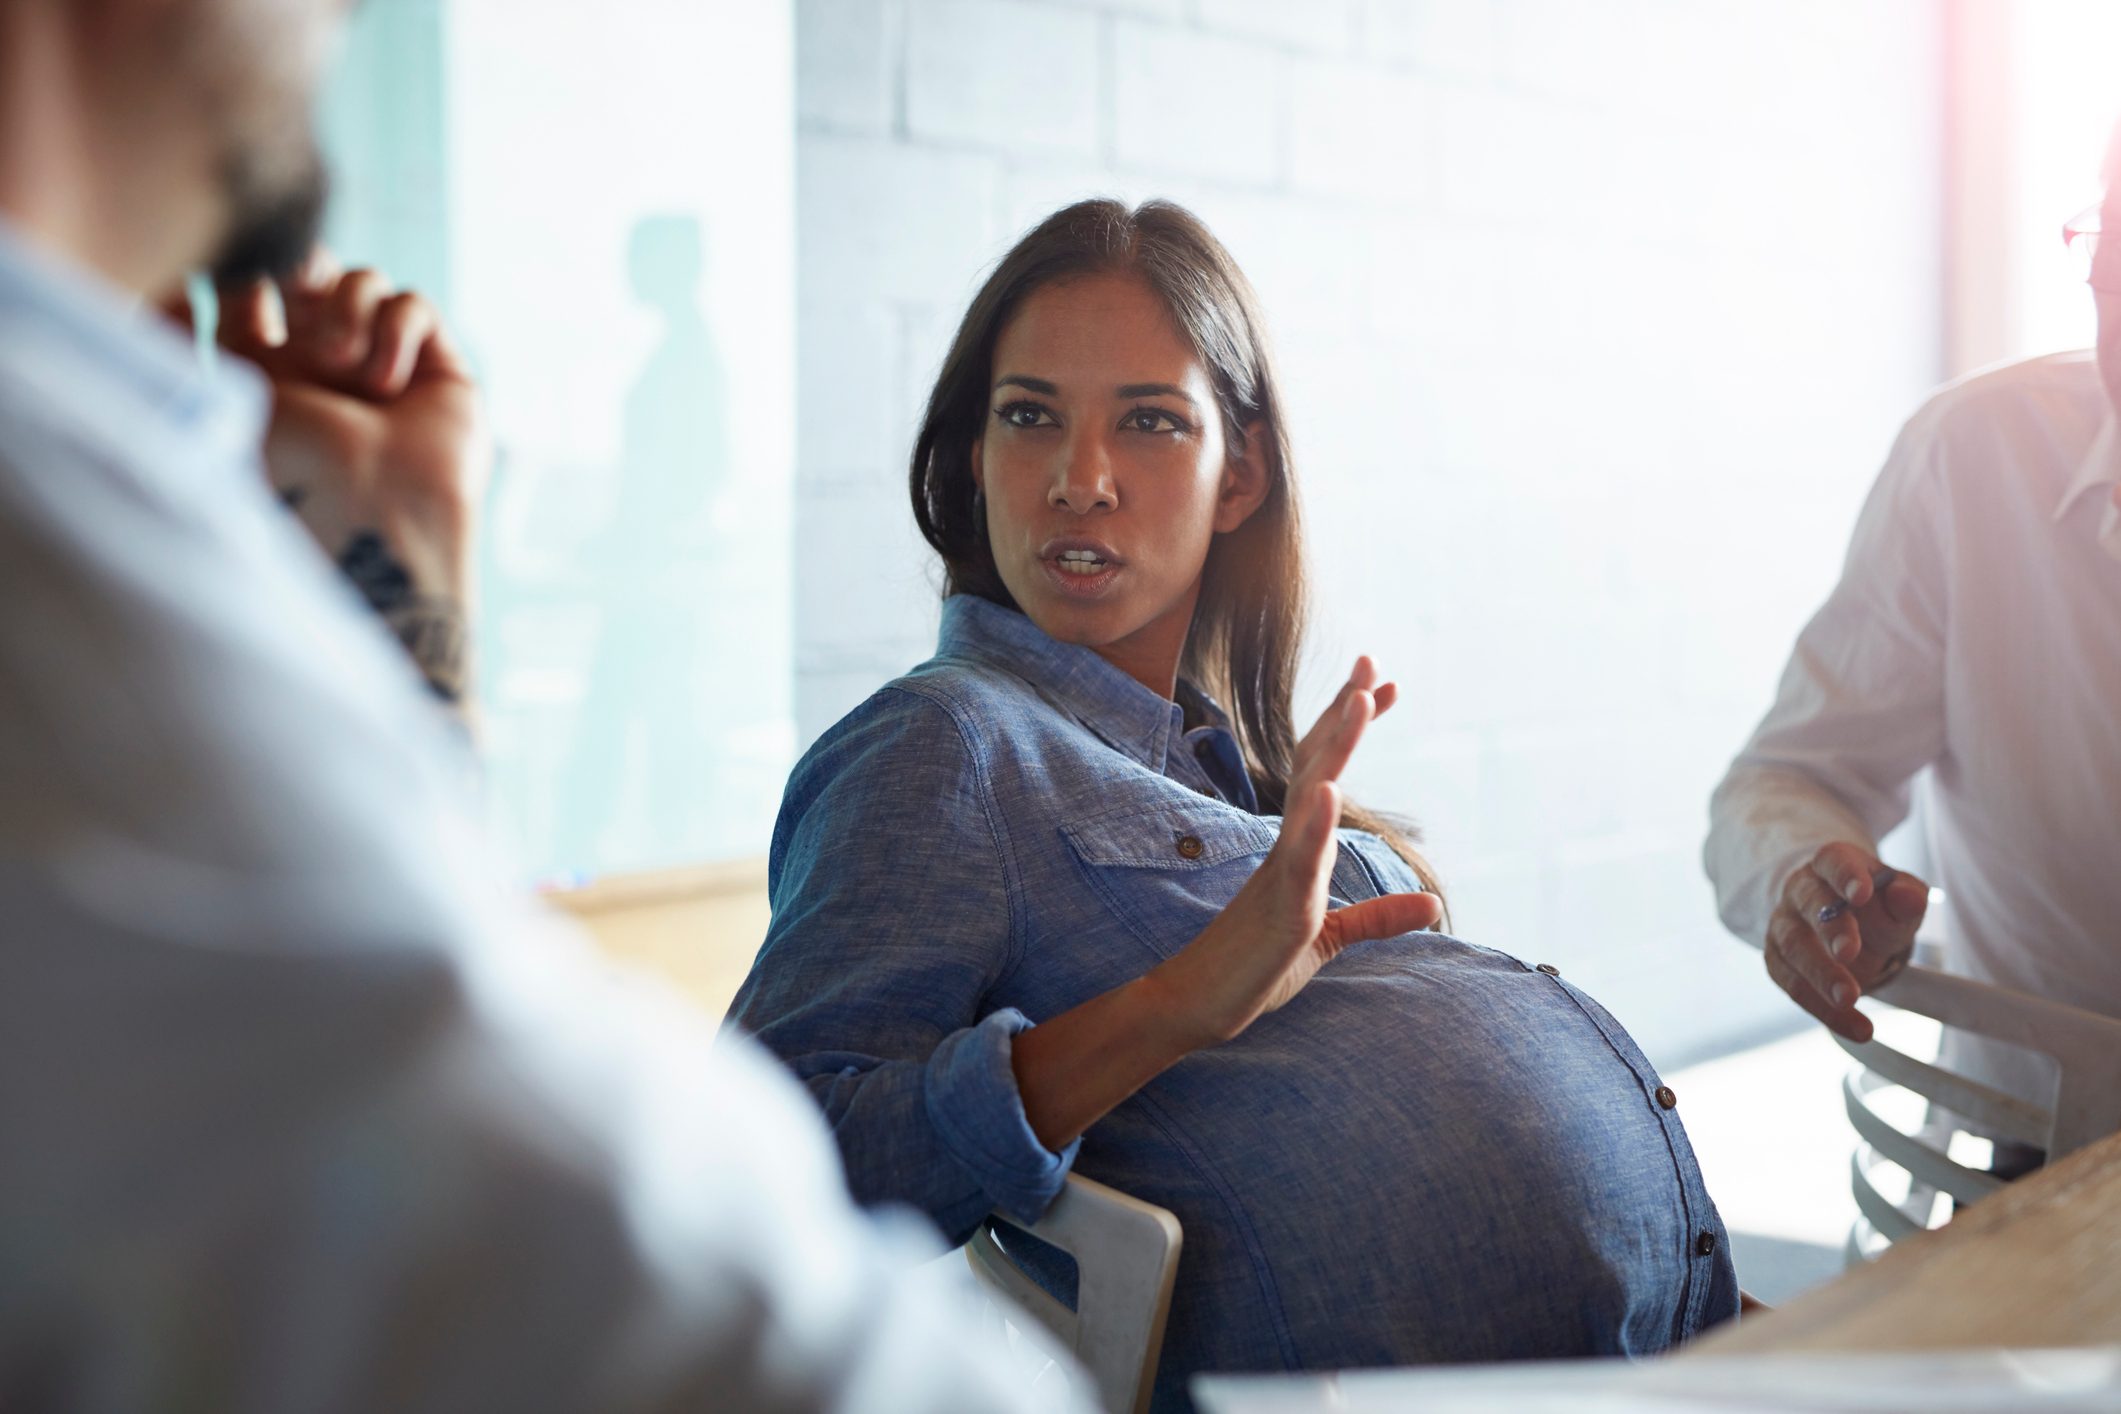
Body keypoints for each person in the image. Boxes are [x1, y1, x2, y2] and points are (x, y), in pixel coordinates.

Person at [0, 2, 1083, 1409]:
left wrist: (401, 591)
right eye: (1032, 414)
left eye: (1153, 420)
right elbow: (650, 1306)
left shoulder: (92, 517)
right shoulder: (53, 581)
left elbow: (394, 1027)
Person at [729, 199, 1741, 1413]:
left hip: (1670, 1358)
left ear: (1241, 475)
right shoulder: (942, 743)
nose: (1080, 481)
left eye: (1148, 422)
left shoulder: (1228, 762)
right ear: (973, 456)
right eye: (1029, 415)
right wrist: (1178, 1002)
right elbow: (761, 1177)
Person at [1703, 119, 2121, 1178]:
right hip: (2042, 1157)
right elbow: (1787, 780)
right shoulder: (1975, 458)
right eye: (2113, 269)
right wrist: (1816, 886)